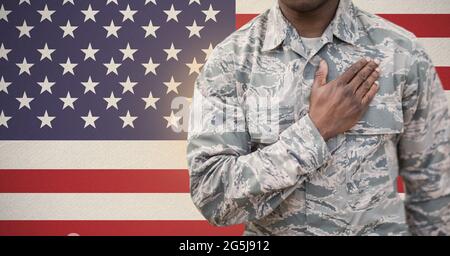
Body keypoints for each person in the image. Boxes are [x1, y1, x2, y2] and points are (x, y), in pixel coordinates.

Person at [186, 0, 450, 235]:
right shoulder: (229, 62)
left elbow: (436, 191)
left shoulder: (401, 53)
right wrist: (315, 131)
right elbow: (213, 198)